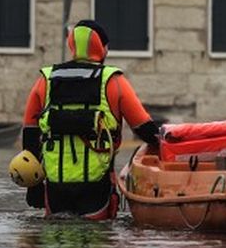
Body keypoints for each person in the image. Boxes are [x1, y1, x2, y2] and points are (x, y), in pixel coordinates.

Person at [21, 19, 160, 218]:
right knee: (98, 244)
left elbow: (30, 133)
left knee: (56, 243)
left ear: (72, 45)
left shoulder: (46, 79)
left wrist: (33, 186)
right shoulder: (114, 81)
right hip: (97, 189)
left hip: (55, 191)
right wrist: (169, 143)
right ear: (102, 48)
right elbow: (145, 129)